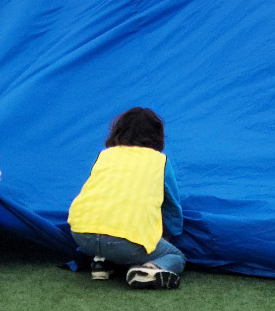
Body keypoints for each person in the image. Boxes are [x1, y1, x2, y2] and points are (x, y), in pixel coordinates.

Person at [68, 107, 187, 290]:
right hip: (125, 242)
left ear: (118, 130)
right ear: (157, 135)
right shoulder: (159, 161)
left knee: (107, 230)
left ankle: (101, 260)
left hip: (81, 234)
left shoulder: (105, 155)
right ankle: (148, 270)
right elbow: (171, 205)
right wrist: (173, 233)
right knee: (175, 256)